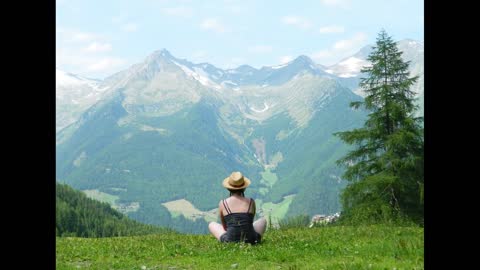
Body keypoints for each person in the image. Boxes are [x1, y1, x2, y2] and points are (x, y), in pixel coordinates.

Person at [208, 171, 266, 244]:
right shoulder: (251, 201)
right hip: (252, 240)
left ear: (228, 188)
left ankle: (232, 238)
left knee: (211, 224)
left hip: (230, 241)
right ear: (244, 188)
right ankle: (252, 239)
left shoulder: (223, 203)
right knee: (263, 221)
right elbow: (250, 222)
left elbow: (225, 227)